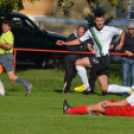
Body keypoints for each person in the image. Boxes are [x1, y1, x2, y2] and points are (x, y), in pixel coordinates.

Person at [56, 12, 133, 95]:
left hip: (103, 59)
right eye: (97, 21)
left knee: (78, 62)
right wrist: (65, 43)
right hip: (100, 61)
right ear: (94, 21)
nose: (99, 23)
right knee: (105, 88)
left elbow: (122, 32)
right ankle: (129, 90)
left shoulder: (109, 29)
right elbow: (79, 40)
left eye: (101, 20)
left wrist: (121, 44)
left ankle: (86, 85)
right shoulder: (91, 31)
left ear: (104, 20)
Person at [0, 19, 32, 96]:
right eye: (3, 25)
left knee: (11, 76)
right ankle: (1, 91)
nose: (4, 27)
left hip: (6, 56)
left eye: (6, 25)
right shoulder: (3, 34)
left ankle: (27, 85)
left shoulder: (9, 34)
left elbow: (8, 46)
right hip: (1, 56)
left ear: (10, 27)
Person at [63, 25, 92, 94]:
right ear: (77, 31)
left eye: (83, 32)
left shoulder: (84, 38)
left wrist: (77, 48)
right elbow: (68, 47)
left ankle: (68, 87)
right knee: (69, 74)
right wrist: (79, 47)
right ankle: (66, 90)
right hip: (69, 59)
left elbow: (84, 48)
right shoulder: (71, 37)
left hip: (77, 60)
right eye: (80, 32)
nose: (81, 34)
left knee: (73, 75)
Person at [62, 91, 134, 117]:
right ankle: (97, 113)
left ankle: (68, 111)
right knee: (98, 105)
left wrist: (110, 104)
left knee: (93, 107)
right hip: (128, 109)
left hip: (126, 110)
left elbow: (125, 102)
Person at [119, 23, 134, 96]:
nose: (131, 30)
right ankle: (124, 93)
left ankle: (132, 93)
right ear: (128, 29)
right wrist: (125, 51)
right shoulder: (124, 36)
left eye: (132, 29)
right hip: (125, 59)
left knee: (133, 77)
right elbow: (118, 47)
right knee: (125, 77)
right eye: (130, 29)